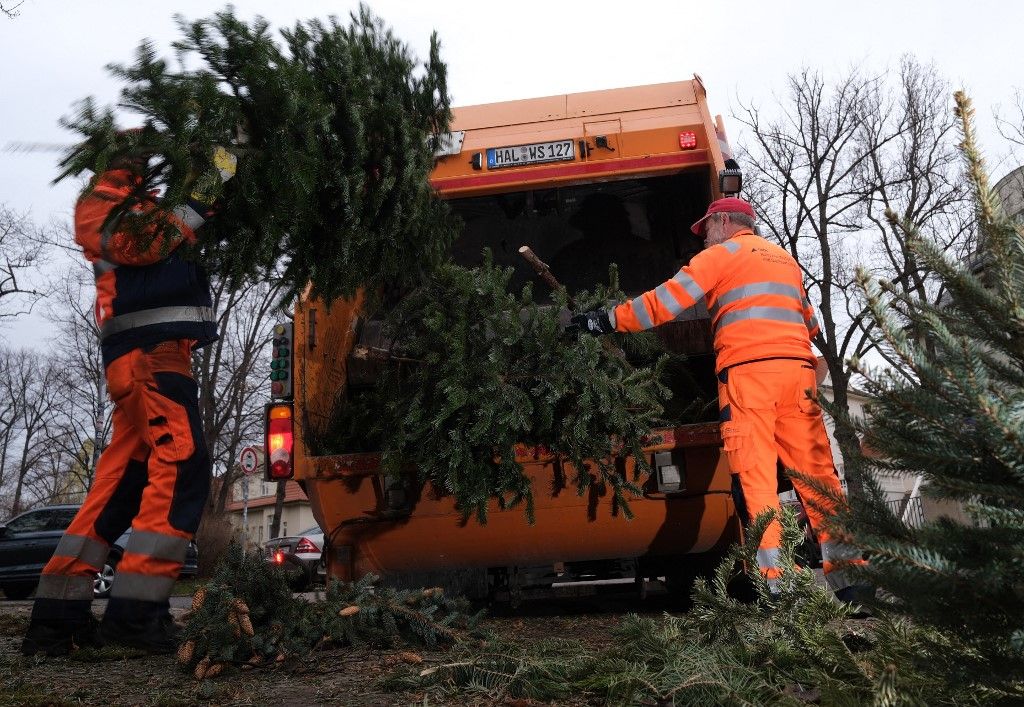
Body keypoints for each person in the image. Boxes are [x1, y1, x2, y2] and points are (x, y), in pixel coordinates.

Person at [568, 196, 866, 601]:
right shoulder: (785, 262)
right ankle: (854, 586)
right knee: (820, 481)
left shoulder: (722, 256)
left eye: (706, 229)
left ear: (724, 221)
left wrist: (602, 320)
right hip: (798, 376)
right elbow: (810, 325)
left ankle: (777, 588)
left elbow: (663, 304)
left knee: (757, 481)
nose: (703, 240)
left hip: (749, 378)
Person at [21, 143, 235, 656]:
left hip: (150, 363)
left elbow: (168, 238)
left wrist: (211, 189)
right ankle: (136, 618)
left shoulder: (144, 206)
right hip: (149, 361)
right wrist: (206, 190)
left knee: (120, 490)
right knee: (182, 465)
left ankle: (57, 620)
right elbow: (144, 244)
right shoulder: (102, 204)